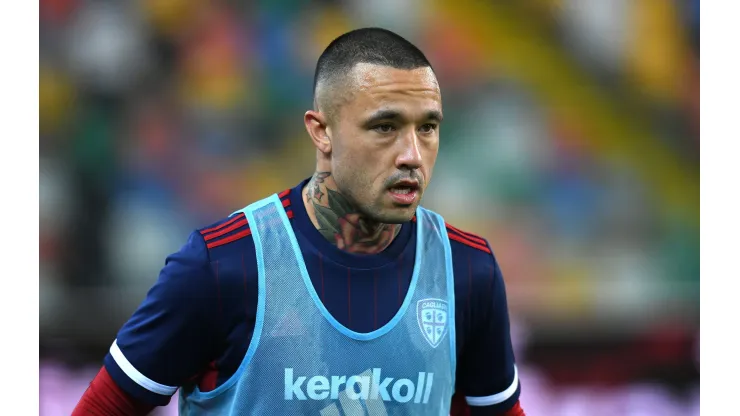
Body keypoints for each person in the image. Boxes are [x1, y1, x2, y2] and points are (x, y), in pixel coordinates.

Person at [73, 27, 525, 416]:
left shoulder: (467, 271)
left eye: (427, 127)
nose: (411, 155)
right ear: (321, 131)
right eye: (385, 126)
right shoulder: (222, 265)